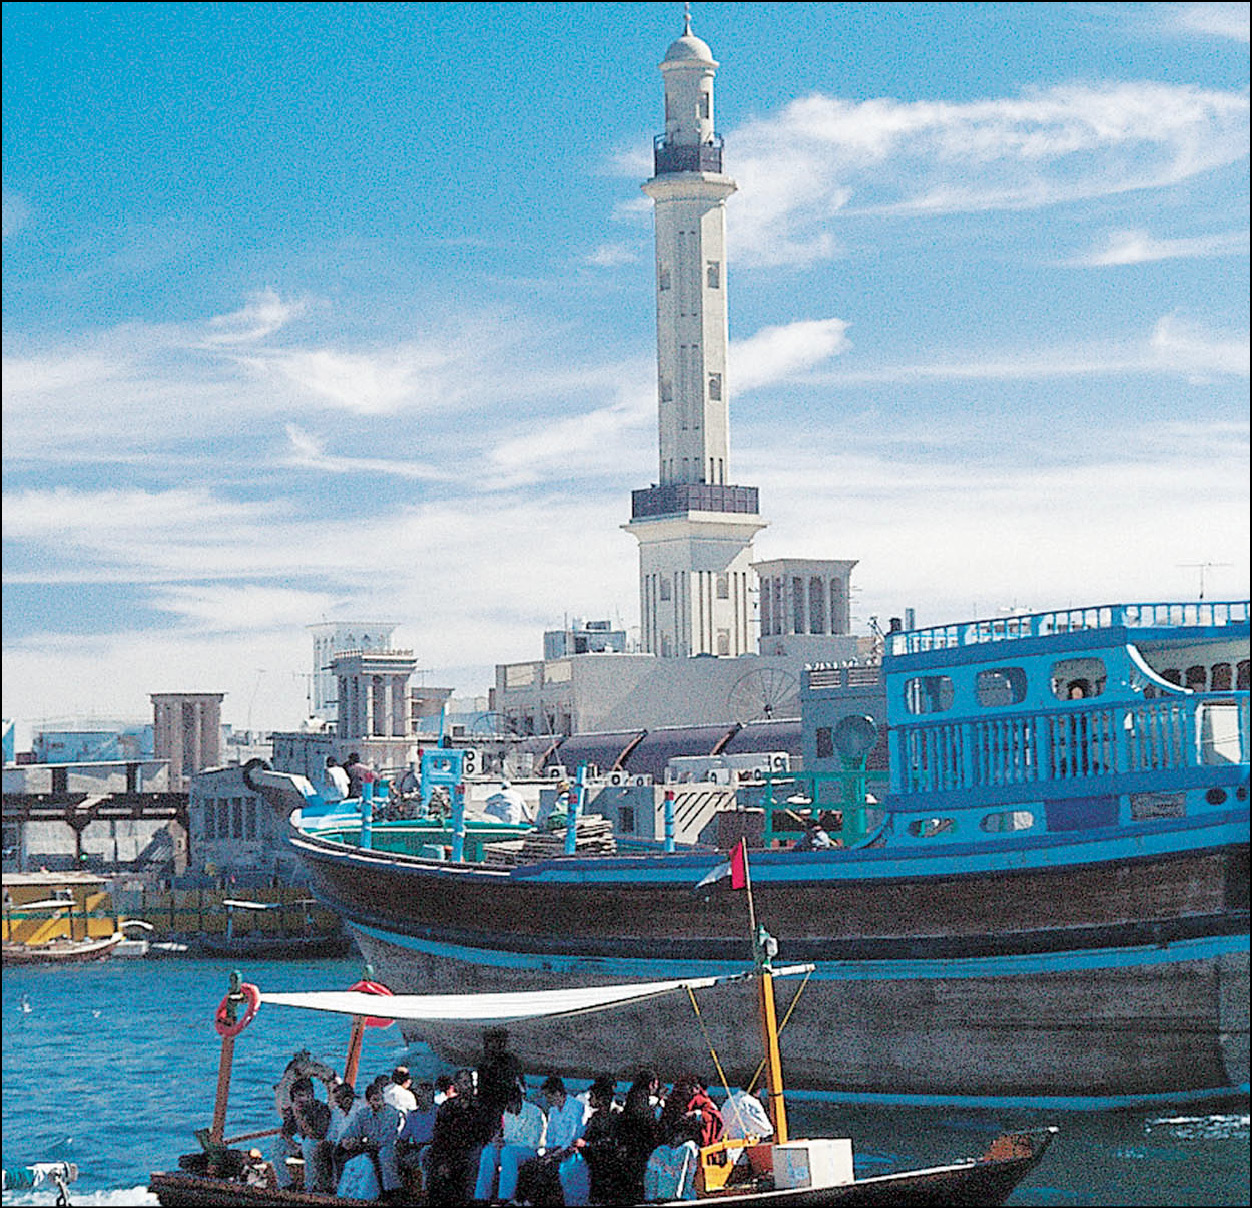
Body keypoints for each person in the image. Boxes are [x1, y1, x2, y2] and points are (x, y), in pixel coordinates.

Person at [514, 1074, 589, 1206]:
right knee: (530, 1166)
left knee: (547, 1170)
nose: (547, 1100)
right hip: (555, 1150)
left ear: (558, 1093)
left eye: (548, 1096)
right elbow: (550, 1135)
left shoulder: (576, 1107)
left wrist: (554, 1155)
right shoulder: (553, 1110)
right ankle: (521, 1200)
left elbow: (572, 1138)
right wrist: (548, 1151)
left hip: (569, 1150)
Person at [473, 1084, 547, 1202]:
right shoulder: (507, 1113)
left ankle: (505, 1197)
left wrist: (507, 1144)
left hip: (529, 1151)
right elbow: (508, 1136)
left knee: (508, 1152)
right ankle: (481, 1196)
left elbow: (532, 1142)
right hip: (511, 1147)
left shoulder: (534, 1113)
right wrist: (500, 1141)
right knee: (488, 1151)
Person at [336, 1076, 403, 1201]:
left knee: (384, 1155)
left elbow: (386, 1139)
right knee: (340, 1153)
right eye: (375, 1100)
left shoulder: (391, 1113)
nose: (378, 1103)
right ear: (368, 1101)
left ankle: (390, 1192)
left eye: (380, 1099)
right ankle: (345, 1191)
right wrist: (348, 1141)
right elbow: (351, 1132)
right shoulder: (363, 1114)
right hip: (368, 1147)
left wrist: (363, 1144)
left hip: (387, 1146)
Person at [426, 1068, 481, 1205]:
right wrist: (442, 1159)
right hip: (450, 1149)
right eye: (462, 1082)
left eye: (468, 1082)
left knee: (470, 1161)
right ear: (455, 1085)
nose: (466, 1086)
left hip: (472, 1148)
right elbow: (439, 1135)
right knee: (433, 1161)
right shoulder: (447, 1106)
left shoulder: (479, 1106)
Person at [269, 1077, 331, 1191]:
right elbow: (285, 1133)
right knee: (276, 1146)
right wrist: (295, 1145)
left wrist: (300, 1117)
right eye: (297, 1096)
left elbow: (316, 1135)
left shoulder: (321, 1109)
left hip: (321, 1145)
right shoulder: (294, 1108)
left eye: (302, 1095)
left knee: (308, 1144)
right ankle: (285, 1185)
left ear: (310, 1095)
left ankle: (311, 1187)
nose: (299, 1099)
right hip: (304, 1145)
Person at [616, 1069, 663, 1204]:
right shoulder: (641, 1102)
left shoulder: (632, 1098)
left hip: (628, 1152)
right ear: (651, 1084)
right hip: (640, 1153)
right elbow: (647, 1124)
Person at [575, 1075, 623, 1205]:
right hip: (595, 1164)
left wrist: (588, 1144)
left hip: (608, 1168)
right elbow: (588, 1136)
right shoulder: (595, 1117)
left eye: (593, 1096)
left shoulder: (616, 1116)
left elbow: (612, 1143)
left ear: (601, 1098)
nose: (590, 1099)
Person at [476, 1027, 526, 1140]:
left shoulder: (510, 1061)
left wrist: (515, 1100)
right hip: (487, 1106)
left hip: (504, 1106)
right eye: (489, 1042)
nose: (491, 1046)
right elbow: (481, 1087)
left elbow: (519, 1084)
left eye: (495, 1042)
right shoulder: (484, 1062)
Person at [397, 1079, 437, 1198]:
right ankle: (397, 1192)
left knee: (424, 1155)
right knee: (394, 1155)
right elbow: (403, 1137)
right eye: (418, 1095)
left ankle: (423, 1192)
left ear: (430, 1095)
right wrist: (399, 1146)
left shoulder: (438, 1112)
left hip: (433, 1148)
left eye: (422, 1095)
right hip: (416, 1148)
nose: (419, 1098)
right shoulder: (413, 1115)